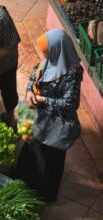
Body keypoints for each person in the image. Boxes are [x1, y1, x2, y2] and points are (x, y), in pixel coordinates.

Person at [13, 29, 83, 202]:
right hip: (38, 118)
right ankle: (23, 182)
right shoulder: (48, 61)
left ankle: (43, 194)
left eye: (47, 51)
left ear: (58, 50)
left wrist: (43, 100)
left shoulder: (72, 73)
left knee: (48, 160)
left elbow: (70, 105)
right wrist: (29, 92)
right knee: (31, 148)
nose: (44, 55)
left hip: (54, 125)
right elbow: (33, 76)